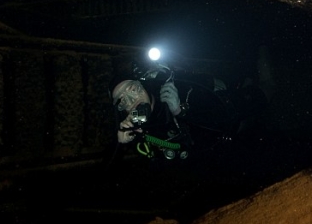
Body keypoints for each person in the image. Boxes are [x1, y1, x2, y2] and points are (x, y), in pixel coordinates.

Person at [109, 58, 267, 160]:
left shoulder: (171, 89)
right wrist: (130, 140)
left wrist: (180, 110)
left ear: (141, 84)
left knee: (266, 89)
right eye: (123, 100)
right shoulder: (141, 133)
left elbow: (221, 116)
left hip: (236, 112)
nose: (132, 99)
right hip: (230, 147)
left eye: (132, 89)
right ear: (122, 109)